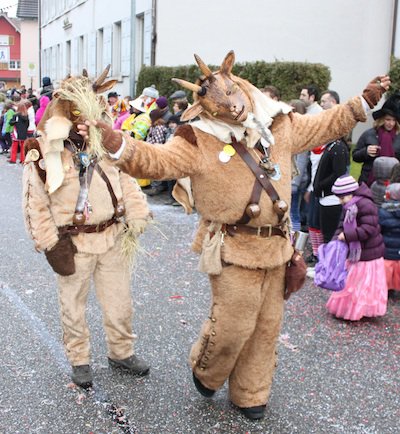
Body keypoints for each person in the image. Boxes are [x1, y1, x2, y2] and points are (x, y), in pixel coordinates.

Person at [77, 51, 389, 420]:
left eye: (233, 94)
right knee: (233, 326)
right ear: (204, 107)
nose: (232, 106)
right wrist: (116, 143)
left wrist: (362, 102)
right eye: (218, 101)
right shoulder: (197, 137)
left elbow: (324, 124)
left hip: (276, 246)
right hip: (232, 245)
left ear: (241, 86)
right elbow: (157, 160)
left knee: (266, 328)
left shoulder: (280, 124)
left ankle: (251, 393)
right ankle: (207, 370)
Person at [22, 68, 152, 389]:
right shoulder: (44, 151)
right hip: (73, 244)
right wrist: (51, 244)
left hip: (112, 238)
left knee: (121, 303)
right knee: (73, 308)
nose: (86, 122)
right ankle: (79, 360)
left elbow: (127, 181)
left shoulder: (105, 143)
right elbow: (35, 202)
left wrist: (136, 214)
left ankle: (121, 352)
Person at [326, 175, 388, 320]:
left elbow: (369, 228)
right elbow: (342, 225)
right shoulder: (348, 206)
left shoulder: (366, 204)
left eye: (342, 198)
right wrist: (335, 241)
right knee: (353, 284)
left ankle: (359, 310)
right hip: (356, 252)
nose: (340, 202)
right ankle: (350, 308)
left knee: (362, 285)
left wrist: (347, 236)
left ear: (350, 193)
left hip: (368, 253)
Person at [313, 90, 349, 243]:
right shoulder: (331, 146)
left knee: (330, 237)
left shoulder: (338, 148)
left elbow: (338, 173)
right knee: (326, 235)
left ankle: (332, 265)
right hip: (325, 198)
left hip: (332, 199)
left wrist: (320, 184)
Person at [352, 92, 400, 186]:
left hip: (393, 183)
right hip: (368, 182)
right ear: (381, 119)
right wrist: (366, 152)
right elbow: (355, 156)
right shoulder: (369, 134)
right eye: (388, 119)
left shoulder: (399, 137)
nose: (391, 123)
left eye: (394, 120)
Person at [289, 99, 308, 232]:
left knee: (293, 212)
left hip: (296, 182)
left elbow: (301, 162)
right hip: (293, 180)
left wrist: (294, 184)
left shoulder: (301, 135)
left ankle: (294, 241)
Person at [378, 182, 400, 292]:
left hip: (387, 247)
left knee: (387, 269)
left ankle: (387, 289)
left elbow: (379, 229)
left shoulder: (383, 211)